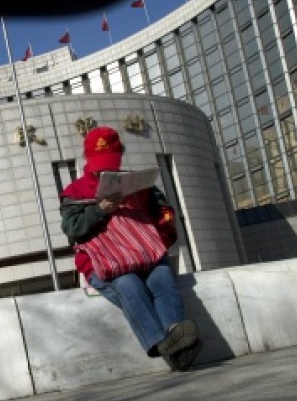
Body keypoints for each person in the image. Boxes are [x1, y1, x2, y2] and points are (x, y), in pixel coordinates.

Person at [60, 126, 202, 372]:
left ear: (121, 156)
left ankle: (174, 341)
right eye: (100, 162)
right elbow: (73, 229)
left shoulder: (137, 182)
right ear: (87, 158)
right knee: (128, 285)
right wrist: (100, 210)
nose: (106, 168)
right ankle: (167, 345)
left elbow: (164, 212)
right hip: (104, 263)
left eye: (111, 161)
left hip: (144, 254)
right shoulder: (74, 192)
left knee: (162, 278)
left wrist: (163, 234)